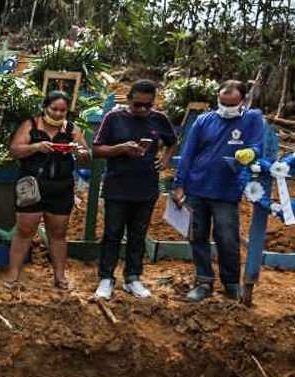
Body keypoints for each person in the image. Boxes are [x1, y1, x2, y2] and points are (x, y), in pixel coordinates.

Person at [172, 80, 266, 302]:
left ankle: (231, 283)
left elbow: (259, 145)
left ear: (242, 101)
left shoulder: (251, 119)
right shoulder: (204, 121)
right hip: (197, 188)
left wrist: (250, 153)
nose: (225, 107)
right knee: (197, 237)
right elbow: (188, 153)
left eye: (231, 104)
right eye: (222, 102)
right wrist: (179, 183)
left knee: (227, 238)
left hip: (226, 191)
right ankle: (204, 281)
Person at [92, 80, 177, 299]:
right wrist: (120, 148)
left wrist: (166, 160)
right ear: (128, 99)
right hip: (117, 185)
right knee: (112, 233)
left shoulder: (159, 119)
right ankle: (106, 277)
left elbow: (172, 142)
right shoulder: (114, 118)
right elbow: (98, 149)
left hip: (146, 186)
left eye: (148, 106)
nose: (142, 110)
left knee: (138, 235)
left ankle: (133, 277)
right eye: (138, 104)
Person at [6, 91, 90, 290]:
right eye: (54, 109)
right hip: (32, 186)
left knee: (59, 232)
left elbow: (86, 156)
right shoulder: (30, 125)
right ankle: (13, 276)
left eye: (63, 110)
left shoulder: (71, 129)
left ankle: (60, 277)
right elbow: (15, 150)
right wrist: (36, 147)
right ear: (45, 107)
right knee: (25, 230)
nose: (58, 113)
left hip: (61, 187)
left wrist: (79, 151)